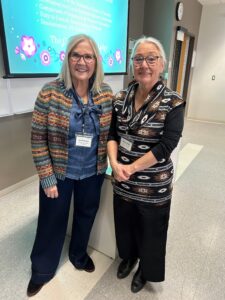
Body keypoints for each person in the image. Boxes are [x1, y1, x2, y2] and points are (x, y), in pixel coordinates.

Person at [27, 34, 113, 297]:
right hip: (59, 173)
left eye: (88, 56)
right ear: (67, 58)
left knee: (86, 215)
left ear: (96, 61)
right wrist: (47, 177)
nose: (82, 61)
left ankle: (78, 255)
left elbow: (112, 134)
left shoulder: (106, 93)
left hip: (93, 171)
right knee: (51, 220)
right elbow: (38, 138)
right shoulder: (50, 92)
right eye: (76, 55)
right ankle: (42, 269)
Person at [107, 36, 185, 293]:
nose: (144, 64)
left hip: (153, 184)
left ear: (162, 64)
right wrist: (115, 164)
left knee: (151, 230)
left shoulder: (173, 102)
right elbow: (112, 136)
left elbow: (166, 146)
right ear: (132, 64)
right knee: (125, 223)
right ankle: (129, 258)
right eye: (138, 58)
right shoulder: (120, 98)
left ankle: (145, 269)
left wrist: (130, 168)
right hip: (122, 178)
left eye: (151, 58)